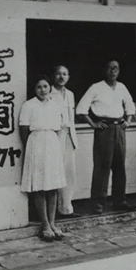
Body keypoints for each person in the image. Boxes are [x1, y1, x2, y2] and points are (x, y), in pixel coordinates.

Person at [76, 60, 136, 214]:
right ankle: (97, 203)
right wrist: (94, 124)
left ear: (119, 70)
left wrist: (128, 121)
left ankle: (120, 201)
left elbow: (130, 106)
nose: (112, 71)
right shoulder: (96, 87)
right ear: (104, 70)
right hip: (104, 129)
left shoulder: (122, 87)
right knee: (102, 167)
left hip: (119, 129)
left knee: (119, 167)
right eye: (109, 67)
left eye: (115, 68)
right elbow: (81, 109)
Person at [19, 75, 66, 242]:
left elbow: (60, 128)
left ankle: (53, 223)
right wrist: (32, 146)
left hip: (52, 143)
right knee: (40, 185)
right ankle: (44, 224)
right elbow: (24, 128)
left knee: (52, 186)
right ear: (34, 89)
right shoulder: (29, 105)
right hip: (36, 143)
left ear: (49, 87)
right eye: (39, 87)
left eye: (45, 86)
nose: (43, 90)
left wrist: (53, 143)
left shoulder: (55, 104)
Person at [51, 65, 78, 218]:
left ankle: (66, 208)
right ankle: (54, 209)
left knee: (70, 171)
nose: (62, 77)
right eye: (58, 74)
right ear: (53, 76)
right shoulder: (49, 93)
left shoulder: (70, 94)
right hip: (56, 134)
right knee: (55, 171)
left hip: (69, 135)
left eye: (65, 74)